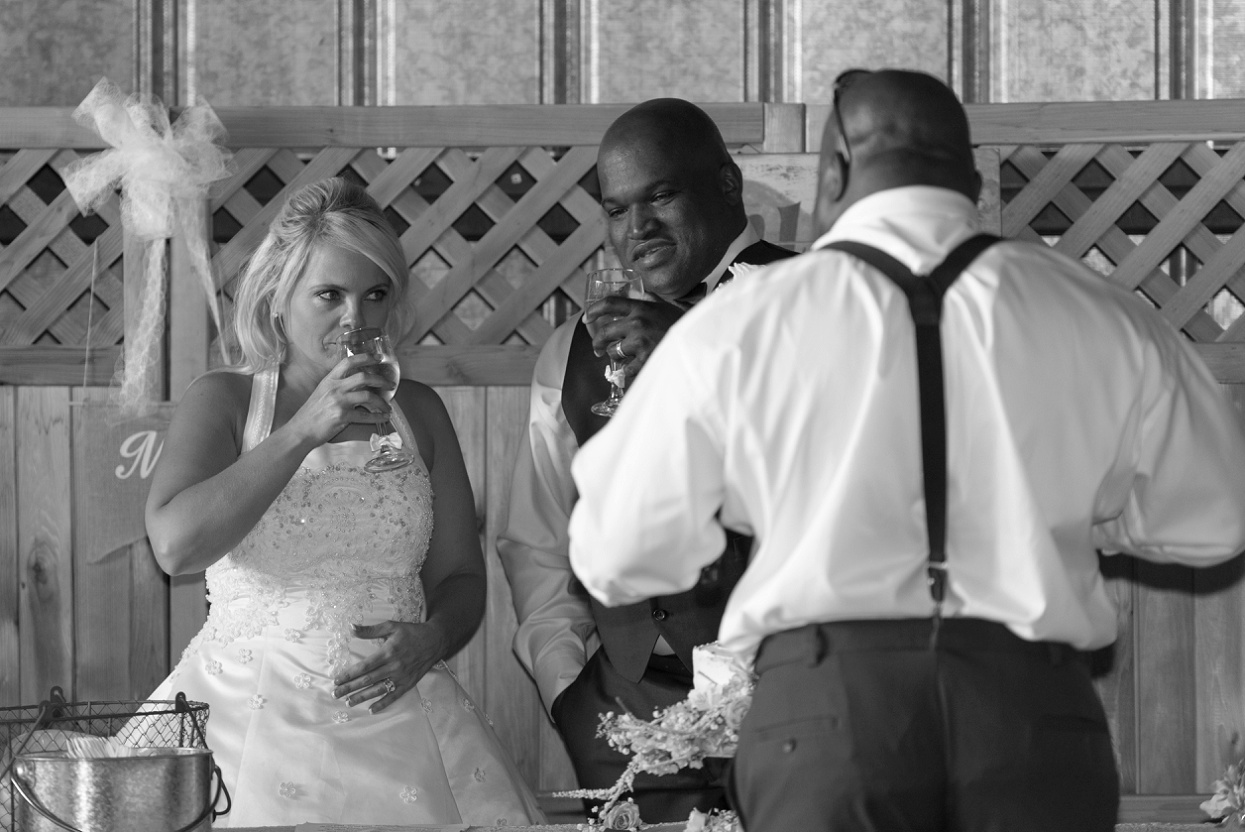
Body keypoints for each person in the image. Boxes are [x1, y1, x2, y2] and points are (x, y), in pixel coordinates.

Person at [566, 69, 1245, 832]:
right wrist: (1072, 509)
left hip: (829, 721)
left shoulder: (741, 323)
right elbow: (1213, 521)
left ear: (832, 174)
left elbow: (619, 553)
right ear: (967, 174)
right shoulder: (1104, 314)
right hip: (1030, 714)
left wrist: (762, 500)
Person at [144, 177, 544, 828]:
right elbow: (174, 545)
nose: (355, 320)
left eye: (375, 294)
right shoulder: (223, 401)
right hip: (247, 716)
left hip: (404, 716)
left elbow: (462, 577)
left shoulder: (420, 411)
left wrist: (435, 637)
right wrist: (306, 427)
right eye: (329, 295)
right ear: (278, 297)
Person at [497, 98, 796, 822]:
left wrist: (687, 359)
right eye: (617, 208)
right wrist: (567, 687)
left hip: (795, 700)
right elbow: (536, 537)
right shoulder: (573, 348)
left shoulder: (812, 301)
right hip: (625, 714)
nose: (639, 229)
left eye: (661, 195)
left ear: (726, 184)